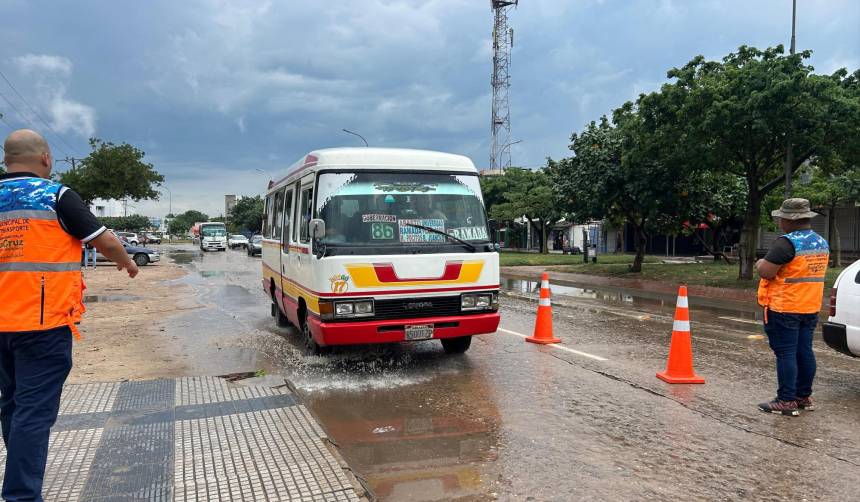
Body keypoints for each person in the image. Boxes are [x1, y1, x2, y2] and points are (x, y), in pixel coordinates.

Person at [0, 129, 139, 500]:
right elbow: (103, 239)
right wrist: (127, 263)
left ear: (6, 159)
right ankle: (21, 495)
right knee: (33, 410)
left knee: (11, 402)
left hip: (1, 325)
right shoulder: (56, 195)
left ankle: (19, 473)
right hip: (42, 324)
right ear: (46, 158)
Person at [755, 198, 829, 417]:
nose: (779, 222)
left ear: (788, 220)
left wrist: (759, 263)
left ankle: (786, 400)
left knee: (786, 353)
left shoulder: (786, 243)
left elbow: (767, 271)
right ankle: (802, 397)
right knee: (804, 351)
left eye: (781, 218)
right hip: (810, 306)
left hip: (785, 306)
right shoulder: (820, 242)